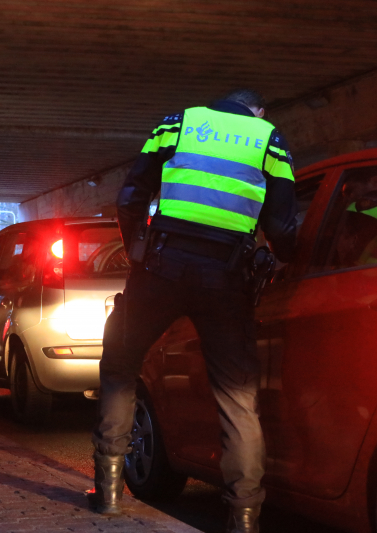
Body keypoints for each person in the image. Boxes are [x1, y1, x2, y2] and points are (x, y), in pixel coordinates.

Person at [89, 89, 298, 533]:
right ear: (258, 112)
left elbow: (131, 196)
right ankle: (243, 518)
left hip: (161, 268)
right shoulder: (269, 139)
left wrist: (137, 249)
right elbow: (281, 225)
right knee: (237, 397)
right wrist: (285, 257)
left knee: (121, 367)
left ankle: (108, 494)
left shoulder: (177, 123)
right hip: (225, 277)